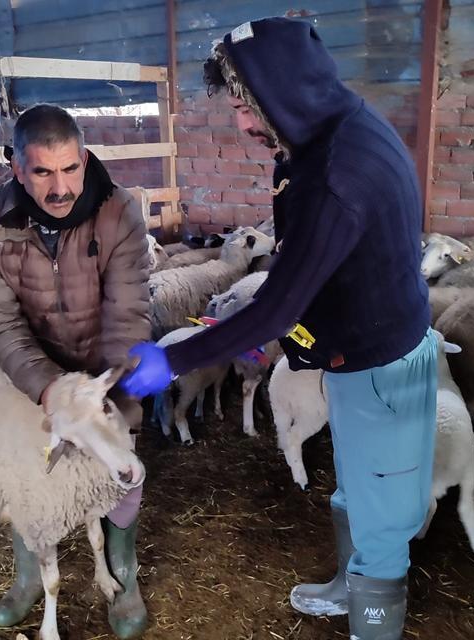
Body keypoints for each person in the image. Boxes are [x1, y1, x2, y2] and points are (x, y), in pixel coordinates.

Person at [121, 17, 437, 640]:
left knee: (382, 514)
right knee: (356, 486)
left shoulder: (338, 174)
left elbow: (273, 311)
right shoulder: (329, 135)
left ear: (287, 91)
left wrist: (173, 359)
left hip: (381, 367)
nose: (241, 123)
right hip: (353, 355)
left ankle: (375, 624)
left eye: (247, 105)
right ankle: (350, 585)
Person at [0, 104, 150, 639]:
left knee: (121, 466)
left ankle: (123, 571)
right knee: (29, 470)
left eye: (70, 169)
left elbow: (129, 312)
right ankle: (28, 576)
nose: (60, 186)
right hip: (34, 370)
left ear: (85, 159)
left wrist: (110, 397)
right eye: (43, 172)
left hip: (104, 365)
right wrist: (46, 387)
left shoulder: (119, 212)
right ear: (17, 168)